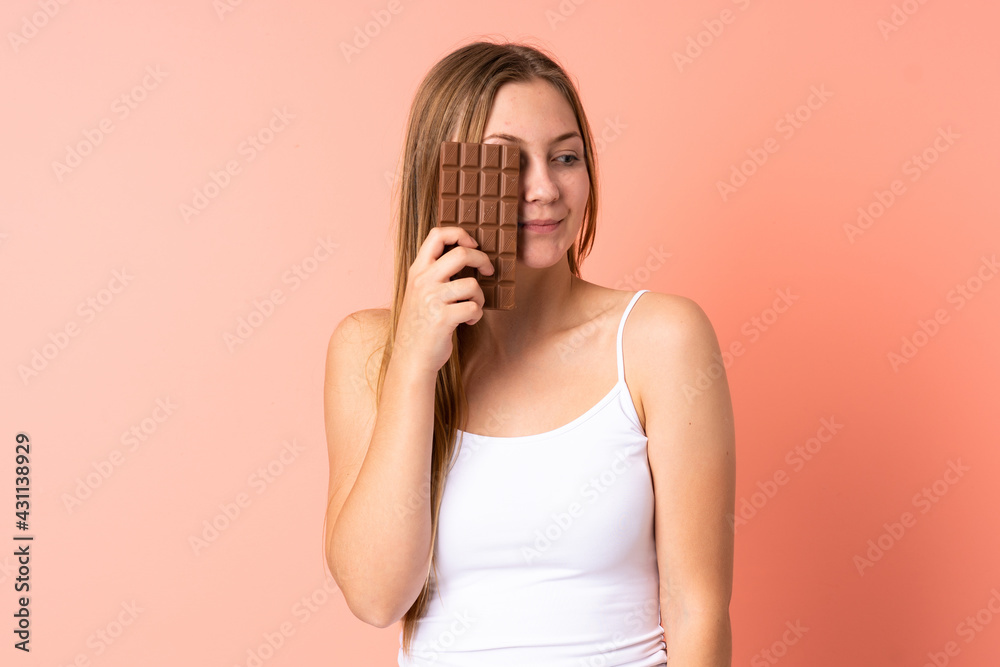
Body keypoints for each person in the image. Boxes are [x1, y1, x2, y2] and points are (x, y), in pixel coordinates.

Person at [323, 39, 735, 666]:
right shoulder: (367, 350)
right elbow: (376, 597)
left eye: (565, 157)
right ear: (443, 179)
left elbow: (696, 609)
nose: (544, 189)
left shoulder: (659, 340)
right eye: (507, 162)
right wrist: (413, 365)